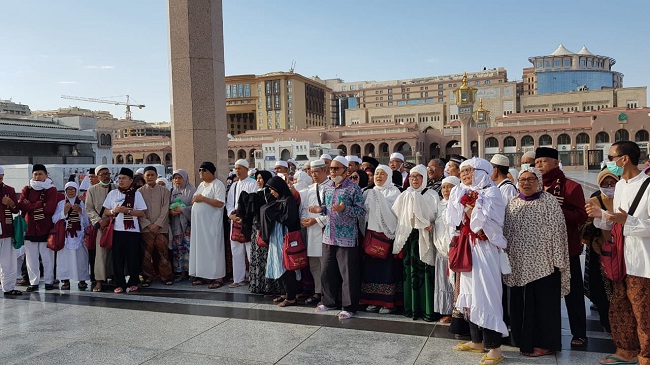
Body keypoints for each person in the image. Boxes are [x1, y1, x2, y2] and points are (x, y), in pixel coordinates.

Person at [587, 141, 650, 365]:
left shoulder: (648, 185)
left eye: (611, 158)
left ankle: (646, 356)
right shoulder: (621, 185)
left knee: (644, 312)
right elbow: (617, 222)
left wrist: (627, 221)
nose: (609, 163)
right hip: (621, 259)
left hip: (643, 263)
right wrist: (601, 215)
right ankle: (626, 350)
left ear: (624, 159)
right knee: (620, 308)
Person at [446, 157, 508, 364]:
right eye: (462, 171)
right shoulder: (461, 191)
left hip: (484, 248)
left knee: (486, 293)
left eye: (469, 170)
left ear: (482, 171)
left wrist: (473, 208)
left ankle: (495, 348)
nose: (464, 174)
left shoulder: (492, 193)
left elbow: (492, 223)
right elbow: (454, 221)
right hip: (467, 248)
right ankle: (477, 340)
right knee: (470, 294)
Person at [503, 167, 570, 357]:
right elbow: (507, 233)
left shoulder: (549, 202)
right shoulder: (513, 203)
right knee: (520, 305)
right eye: (522, 179)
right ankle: (522, 340)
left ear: (539, 181)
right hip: (518, 265)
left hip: (544, 265)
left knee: (543, 307)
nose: (526, 183)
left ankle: (545, 343)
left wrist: (558, 261)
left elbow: (558, 234)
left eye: (531, 179)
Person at [535, 146, 588, 348]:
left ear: (556, 163)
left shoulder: (571, 187)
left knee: (573, 293)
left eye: (544, 161)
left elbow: (581, 216)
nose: (539, 165)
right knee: (546, 294)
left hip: (568, 249)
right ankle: (547, 333)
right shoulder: (533, 185)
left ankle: (579, 333)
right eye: (537, 162)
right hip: (541, 251)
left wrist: (556, 210)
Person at [309, 156, 365, 319]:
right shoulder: (327, 187)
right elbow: (328, 209)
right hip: (329, 236)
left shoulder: (353, 188)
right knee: (327, 271)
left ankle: (349, 306)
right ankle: (328, 301)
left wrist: (344, 209)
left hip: (347, 238)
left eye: (336, 168)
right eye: (331, 169)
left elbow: (361, 212)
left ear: (346, 170)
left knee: (348, 274)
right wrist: (320, 208)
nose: (332, 171)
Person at [392, 164, 439, 321]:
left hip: (425, 237)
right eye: (412, 177)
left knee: (425, 273)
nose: (414, 180)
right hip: (409, 239)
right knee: (410, 274)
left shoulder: (431, 194)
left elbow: (436, 215)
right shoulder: (405, 195)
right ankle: (411, 308)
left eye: (418, 176)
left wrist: (425, 222)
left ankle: (427, 309)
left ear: (424, 178)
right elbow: (397, 214)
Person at [360, 165, 402, 314]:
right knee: (371, 269)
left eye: (382, 174)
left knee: (387, 270)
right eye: (376, 173)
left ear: (389, 176)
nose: (378, 176)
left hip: (387, 236)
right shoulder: (369, 192)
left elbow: (394, 215)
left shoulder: (394, 192)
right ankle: (372, 300)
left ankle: (388, 303)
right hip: (371, 235)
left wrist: (378, 199)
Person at [581, 169, 618, 333]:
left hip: (623, 251)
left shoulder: (623, 199)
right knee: (603, 290)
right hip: (601, 252)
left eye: (612, 183)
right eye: (605, 184)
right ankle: (607, 321)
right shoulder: (594, 200)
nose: (609, 186)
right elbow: (587, 225)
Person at [259, 176, 302, 307]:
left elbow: (290, 219)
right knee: (278, 264)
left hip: (285, 237)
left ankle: (291, 297)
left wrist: (274, 213)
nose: (272, 192)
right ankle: (283, 292)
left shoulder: (288, 200)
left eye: (273, 189)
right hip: (276, 237)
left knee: (286, 266)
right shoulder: (279, 200)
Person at [103, 168, 147, 293]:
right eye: (119, 178)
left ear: (131, 180)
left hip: (133, 231)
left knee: (133, 257)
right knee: (118, 258)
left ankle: (133, 282)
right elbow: (106, 211)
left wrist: (127, 211)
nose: (121, 181)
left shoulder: (136, 194)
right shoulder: (112, 194)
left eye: (124, 178)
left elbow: (142, 212)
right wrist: (113, 211)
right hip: (117, 230)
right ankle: (120, 283)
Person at [240, 170, 283, 295]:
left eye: (260, 178)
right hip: (256, 228)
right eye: (257, 178)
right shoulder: (258, 193)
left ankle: (270, 286)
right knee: (257, 256)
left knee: (266, 257)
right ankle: (258, 285)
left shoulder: (270, 194)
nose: (258, 181)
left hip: (266, 229)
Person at [18, 164, 59, 292]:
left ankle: (48, 281)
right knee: (31, 258)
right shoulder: (27, 189)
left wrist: (31, 205)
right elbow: (21, 206)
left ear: (46, 175)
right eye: (35, 174)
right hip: (29, 228)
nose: (37, 176)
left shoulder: (51, 190)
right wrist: (40, 204)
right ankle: (33, 282)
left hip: (45, 228)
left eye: (40, 174)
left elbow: (50, 208)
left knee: (47, 257)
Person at [189, 162, 227, 289]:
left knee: (214, 249)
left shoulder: (218, 184)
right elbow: (195, 198)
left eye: (204, 170)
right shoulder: (201, 185)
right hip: (200, 225)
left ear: (211, 172)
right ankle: (204, 275)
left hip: (211, 224)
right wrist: (197, 200)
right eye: (199, 170)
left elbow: (220, 203)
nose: (201, 172)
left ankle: (218, 277)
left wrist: (203, 199)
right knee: (201, 249)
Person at [300, 160, 332, 305]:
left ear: (325, 171)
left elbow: (331, 212)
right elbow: (304, 208)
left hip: (325, 231)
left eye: (317, 172)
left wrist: (317, 221)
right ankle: (317, 291)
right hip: (311, 232)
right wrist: (304, 219)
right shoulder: (311, 188)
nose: (314, 175)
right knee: (314, 264)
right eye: (312, 172)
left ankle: (327, 293)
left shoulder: (330, 187)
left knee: (325, 265)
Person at [432, 175, 461, 323]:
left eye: (450, 186)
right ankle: (444, 310)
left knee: (454, 282)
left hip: (455, 250)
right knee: (442, 281)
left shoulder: (459, 204)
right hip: (440, 249)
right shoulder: (439, 204)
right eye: (444, 187)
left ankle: (455, 311)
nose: (446, 190)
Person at [53, 182, 91, 291]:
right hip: (65, 236)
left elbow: (88, 221)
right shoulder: (61, 204)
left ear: (76, 190)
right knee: (65, 259)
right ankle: (65, 280)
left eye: (73, 189)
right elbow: (54, 219)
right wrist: (64, 212)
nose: (70, 191)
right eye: (68, 189)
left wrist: (81, 211)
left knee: (81, 258)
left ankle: (82, 279)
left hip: (79, 235)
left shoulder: (82, 203)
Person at [138, 166, 173, 286]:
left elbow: (165, 209)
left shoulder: (164, 191)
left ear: (156, 176)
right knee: (146, 255)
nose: (150, 177)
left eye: (152, 175)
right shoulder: (139, 192)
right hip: (146, 228)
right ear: (144, 177)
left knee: (163, 253)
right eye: (148, 175)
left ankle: (166, 276)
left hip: (161, 228)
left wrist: (157, 224)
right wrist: (148, 224)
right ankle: (148, 276)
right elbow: (139, 211)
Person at [227, 159, 258, 288]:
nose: (237, 171)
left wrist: (244, 217)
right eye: (236, 168)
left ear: (246, 169)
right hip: (235, 223)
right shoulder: (233, 185)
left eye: (239, 168)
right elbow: (229, 203)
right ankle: (238, 278)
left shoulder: (253, 183)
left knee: (250, 250)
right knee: (236, 251)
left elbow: (254, 203)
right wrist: (231, 215)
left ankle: (254, 278)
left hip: (247, 222)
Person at [85, 165, 114, 292]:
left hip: (114, 223)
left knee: (115, 253)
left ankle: (114, 277)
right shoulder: (92, 190)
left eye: (107, 173)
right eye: (103, 174)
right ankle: (99, 281)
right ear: (98, 177)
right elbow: (89, 208)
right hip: (101, 226)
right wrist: (99, 221)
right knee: (100, 254)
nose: (106, 176)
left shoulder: (116, 188)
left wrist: (109, 219)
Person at [169, 169, 195, 282]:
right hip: (176, 225)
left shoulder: (192, 190)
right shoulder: (172, 191)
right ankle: (181, 272)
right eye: (175, 178)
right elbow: (168, 206)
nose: (177, 180)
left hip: (187, 226)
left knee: (188, 249)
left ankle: (191, 272)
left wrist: (183, 209)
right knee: (178, 249)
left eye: (180, 178)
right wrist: (171, 212)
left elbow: (195, 207)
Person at [0, 166, 21, 296]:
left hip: (6, 229)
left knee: (8, 260)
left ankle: (8, 287)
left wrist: (11, 203)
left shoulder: (9, 190)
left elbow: (16, 210)